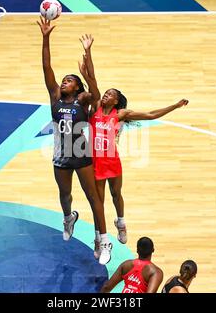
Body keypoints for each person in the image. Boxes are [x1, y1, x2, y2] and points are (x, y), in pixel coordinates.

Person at [77, 34, 189, 258]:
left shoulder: (121, 114)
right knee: (98, 201)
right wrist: (88, 52)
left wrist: (174, 106)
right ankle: (100, 238)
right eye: (106, 93)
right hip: (95, 161)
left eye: (111, 94)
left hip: (112, 160)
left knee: (116, 195)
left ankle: (120, 222)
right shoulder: (95, 109)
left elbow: (149, 114)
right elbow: (93, 81)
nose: (106, 94)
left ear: (116, 101)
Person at [37, 17, 112, 265]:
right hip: (61, 155)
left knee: (94, 199)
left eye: (69, 80)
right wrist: (45, 37)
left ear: (78, 87)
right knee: (65, 195)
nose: (63, 81)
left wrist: (88, 59)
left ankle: (103, 241)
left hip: (81, 155)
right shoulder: (55, 98)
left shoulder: (83, 101)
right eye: (64, 80)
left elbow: (97, 92)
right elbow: (47, 68)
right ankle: (69, 217)